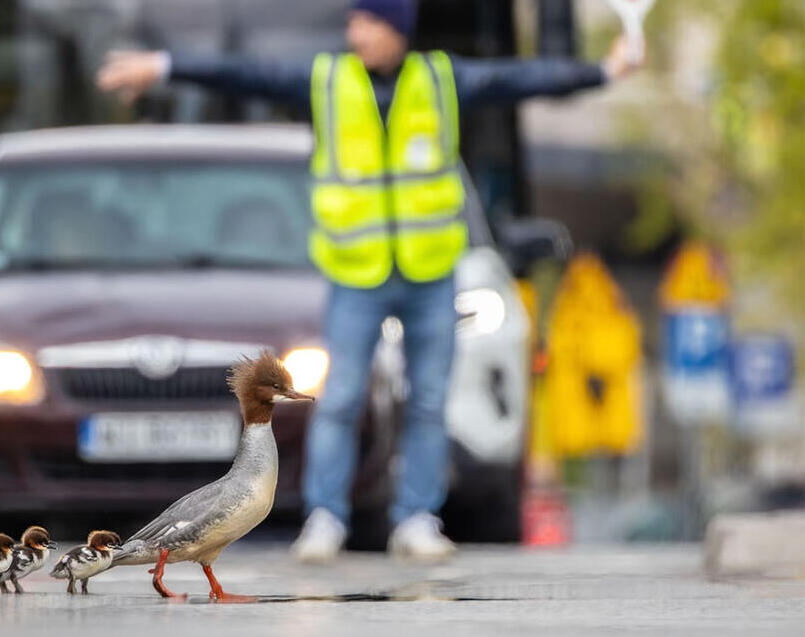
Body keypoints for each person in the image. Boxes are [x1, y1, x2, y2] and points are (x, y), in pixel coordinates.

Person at [96, 0, 642, 562]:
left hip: (430, 271)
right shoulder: (329, 79)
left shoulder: (440, 80)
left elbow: (519, 78)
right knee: (340, 399)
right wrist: (162, 66)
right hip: (357, 273)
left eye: (368, 22)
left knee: (430, 400)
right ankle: (326, 517)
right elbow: (246, 72)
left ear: (397, 29)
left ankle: (416, 520)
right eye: (353, 21)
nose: (354, 32)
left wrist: (603, 71)